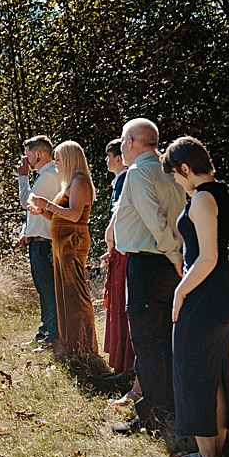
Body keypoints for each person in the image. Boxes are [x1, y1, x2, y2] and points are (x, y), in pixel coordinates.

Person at [163, 137, 229, 457]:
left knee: (194, 374)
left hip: (206, 297)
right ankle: (215, 453)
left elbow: (208, 256)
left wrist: (180, 292)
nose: (177, 183)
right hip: (223, 295)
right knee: (215, 376)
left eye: (176, 176)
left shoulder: (202, 198)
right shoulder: (219, 191)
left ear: (185, 168)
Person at [111, 118, 186, 435]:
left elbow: (156, 223)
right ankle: (169, 410)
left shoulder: (139, 173)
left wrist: (174, 257)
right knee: (163, 340)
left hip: (150, 264)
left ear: (130, 142)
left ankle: (151, 416)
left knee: (147, 341)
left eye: (122, 143)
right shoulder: (169, 170)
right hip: (166, 264)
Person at [28, 141, 99, 360]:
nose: (55, 163)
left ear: (69, 159)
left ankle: (83, 346)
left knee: (75, 294)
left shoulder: (79, 182)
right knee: (64, 295)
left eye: (58, 159)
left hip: (73, 242)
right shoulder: (69, 182)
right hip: (63, 242)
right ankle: (71, 345)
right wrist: (42, 212)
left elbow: (75, 215)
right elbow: (62, 216)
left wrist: (46, 204)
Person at [17, 135, 63, 348]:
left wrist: (22, 177)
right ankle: (45, 331)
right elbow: (35, 210)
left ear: (38, 154)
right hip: (37, 238)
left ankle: (53, 336)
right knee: (42, 288)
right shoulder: (45, 175)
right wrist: (26, 229)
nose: (24, 159)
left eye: (27, 154)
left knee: (48, 289)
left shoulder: (49, 176)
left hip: (44, 241)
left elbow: (27, 202)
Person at [100, 139, 136, 383]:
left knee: (122, 306)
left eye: (108, 156)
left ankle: (126, 366)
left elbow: (121, 219)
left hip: (124, 252)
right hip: (119, 250)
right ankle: (120, 365)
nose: (106, 160)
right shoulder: (120, 181)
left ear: (119, 159)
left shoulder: (126, 180)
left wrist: (113, 245)